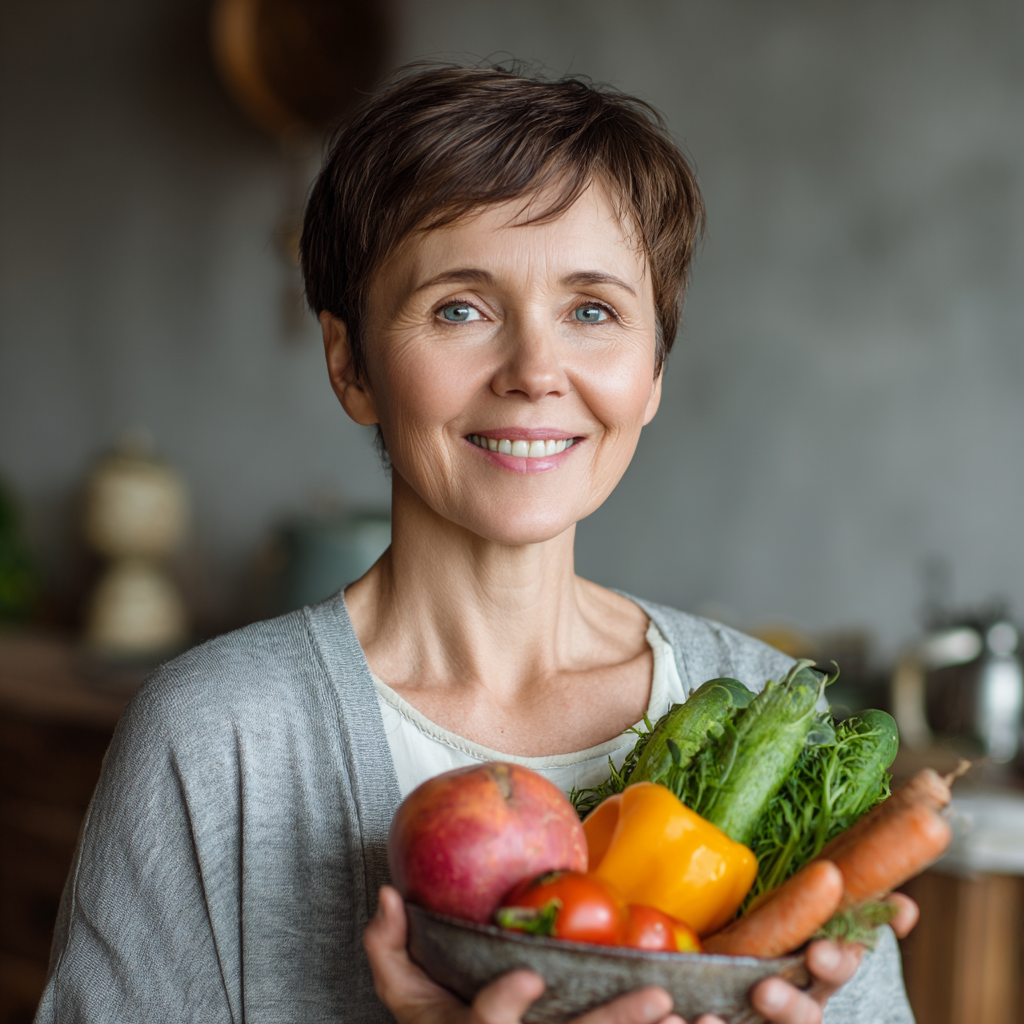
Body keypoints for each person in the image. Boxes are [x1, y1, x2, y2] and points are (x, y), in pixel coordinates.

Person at [35, 64, 918, 1024]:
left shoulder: (780, 725)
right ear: (351, 364)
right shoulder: (218, 740)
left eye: (594, 311)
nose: (536, 371)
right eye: (461, 307)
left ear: (653, 369)